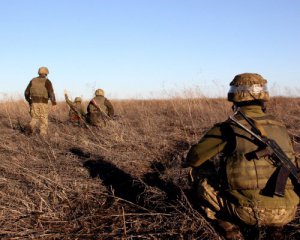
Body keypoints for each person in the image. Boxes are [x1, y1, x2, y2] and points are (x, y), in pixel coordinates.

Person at [182, 73, 299, 239]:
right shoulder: (280, 126)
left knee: (196, 172)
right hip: (288, 212)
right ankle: (275, 229)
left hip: (247, 212)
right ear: (264, 96)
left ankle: (231, 230)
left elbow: (194, 158)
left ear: (234, 96)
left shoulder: (228, 127)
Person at [24, 67, 56, 135]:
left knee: (34, 117)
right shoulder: (47, 81)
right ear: (46, 73)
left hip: (34, 102)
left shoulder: (32, 80)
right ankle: (43, 135)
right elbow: (51, 92)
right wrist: (53, 103)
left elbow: (26, 92)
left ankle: (30, 127)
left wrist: (29, 100)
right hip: (43, 103)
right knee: (43, 118)